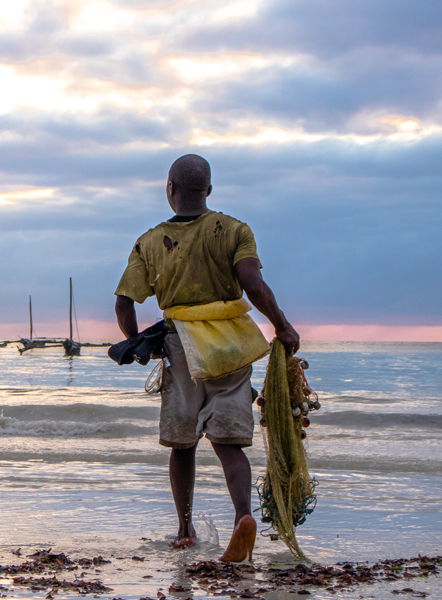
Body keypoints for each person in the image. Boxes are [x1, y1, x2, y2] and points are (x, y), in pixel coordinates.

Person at [114, 154, 299, 561]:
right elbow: (253, 284)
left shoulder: (150, 241)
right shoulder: (234, 230)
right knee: (228, 442)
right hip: (232, 345)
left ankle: (184, 530)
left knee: (182, 443)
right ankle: (242, 517)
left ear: (170, 189)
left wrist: (140, 343)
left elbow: (124, 302)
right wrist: (282, 326)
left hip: (181, 346)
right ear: (209, 190)